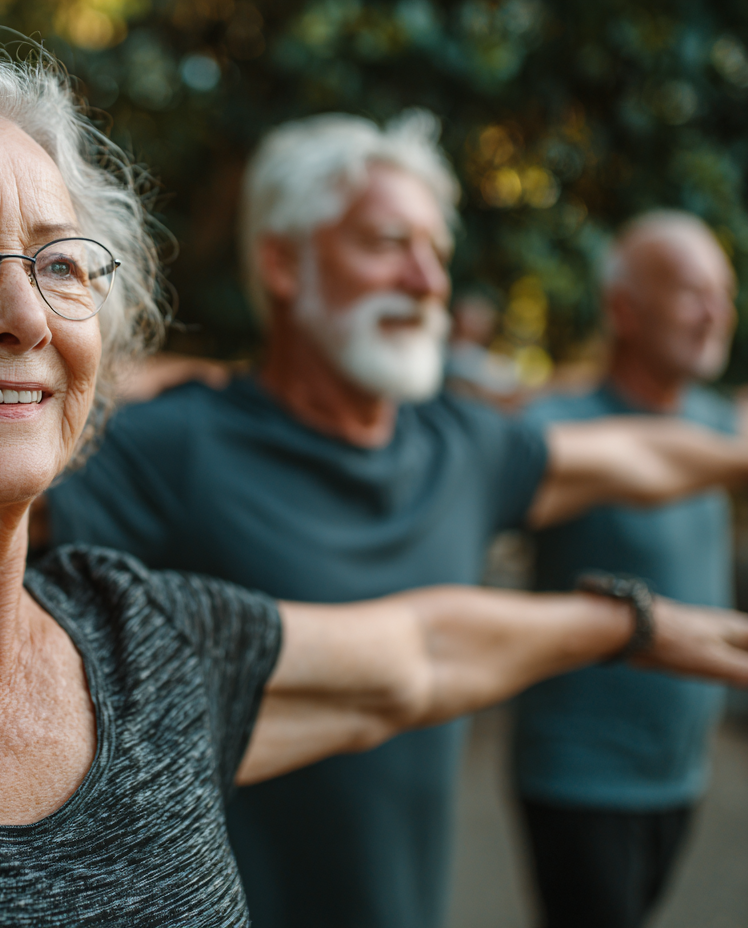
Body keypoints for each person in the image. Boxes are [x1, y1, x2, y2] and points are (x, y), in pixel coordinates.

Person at [0, 33, 748, 926]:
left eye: (62, 265)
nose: (20, 312)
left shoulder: (146, 640)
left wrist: (638, 622)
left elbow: (417, 651)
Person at [38, 113, 748, 928]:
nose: (426, 279)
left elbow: (644, 457)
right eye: (386, 243)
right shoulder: (176, 448)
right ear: (281, 262)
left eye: (437, 253)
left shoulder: (459, 446)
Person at [512, 212, 739, 928]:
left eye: (725, 294)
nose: (716, 315)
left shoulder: (720, 424)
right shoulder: (557, 429)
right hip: (580, 776)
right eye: (692, 293)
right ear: (622, 308)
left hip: (680, 774)